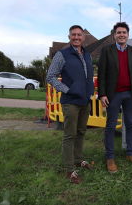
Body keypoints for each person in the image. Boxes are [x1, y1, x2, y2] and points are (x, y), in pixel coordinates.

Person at [47, 25, 96, 184]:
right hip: (71, 102)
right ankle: (70, 170)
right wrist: (67, 90)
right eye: (73, 35)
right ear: (69, 37)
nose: (76, 37)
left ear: (83, 37)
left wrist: (91, 92)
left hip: (85, 101)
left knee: (81, 132)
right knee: (69, 135)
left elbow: (88, 77)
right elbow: (51, 76)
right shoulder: (62, 54)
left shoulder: (87, 55)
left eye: (79, 35)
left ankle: (78, 160)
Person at [98, 22, 132, 173]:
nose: (121, 35)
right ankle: (110, 158)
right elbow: (102, 74)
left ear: (128, 35)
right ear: (114, 35)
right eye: (118, 32)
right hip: (113, 95)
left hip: (130, 94)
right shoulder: (106, 50)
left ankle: (131, 154)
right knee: (110, 125)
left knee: (130, 124)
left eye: (124, 32)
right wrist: (102, 94)